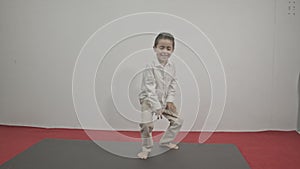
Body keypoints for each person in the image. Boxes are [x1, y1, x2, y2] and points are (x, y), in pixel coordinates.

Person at [137, 32, 184, 159]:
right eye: (161, 47)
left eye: (168, 48)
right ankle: (146, 148)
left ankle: (165, 141)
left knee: (178, 121)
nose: (165, 51)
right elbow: (149, 89)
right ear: (155, 48)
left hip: (163, 100)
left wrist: (169, 101)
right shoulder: (150, 65)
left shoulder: (172, 66)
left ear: (173, 50)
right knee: (146, 125)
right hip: (148, 99)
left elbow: (173, 83)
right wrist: (157, 108)